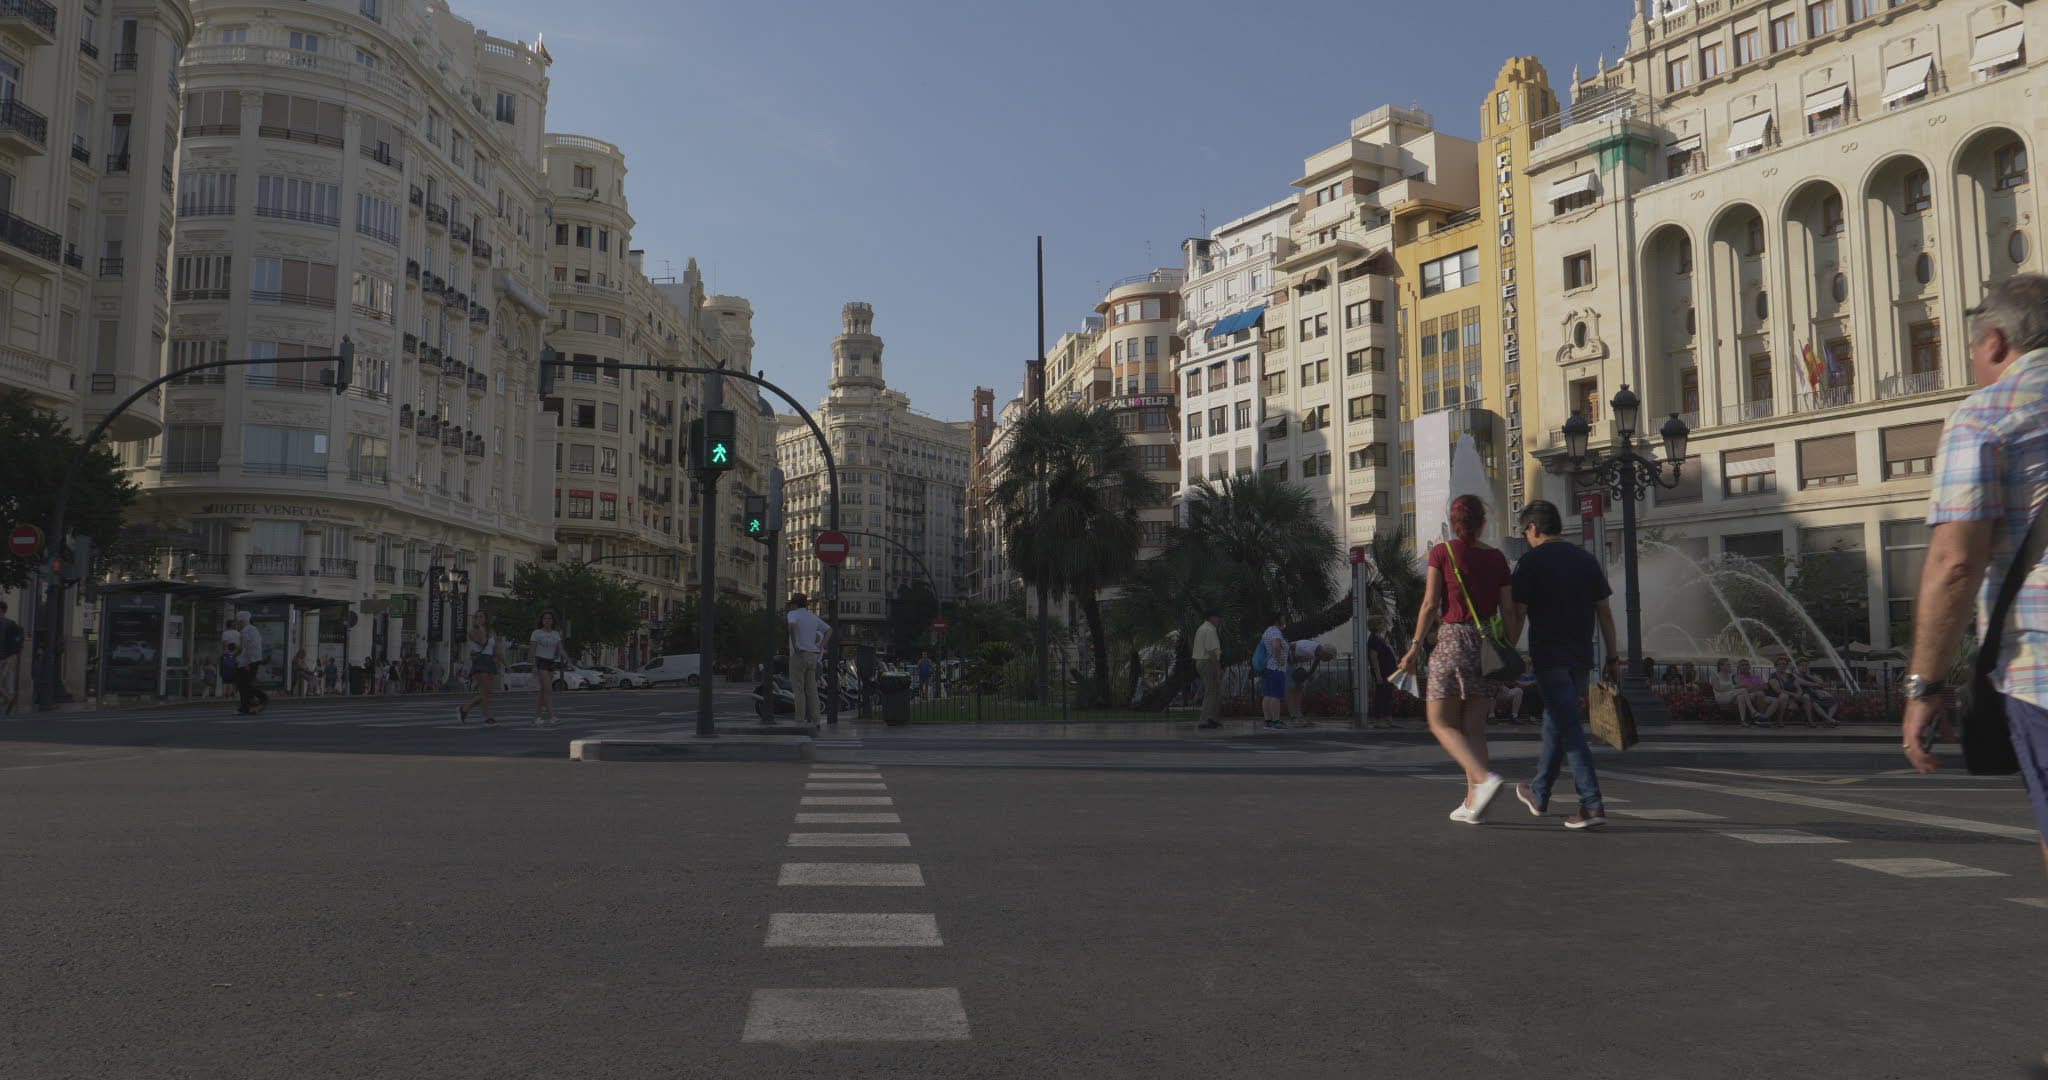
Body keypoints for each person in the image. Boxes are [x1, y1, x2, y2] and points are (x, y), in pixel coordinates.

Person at [1904, 273, 2048, 890]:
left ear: (1994, 341)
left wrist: (1925, 685)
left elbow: (1955, 564)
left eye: (1970, 348)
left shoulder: (1987, 415)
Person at [1398, 494, 1514, 823]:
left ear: (1453, 522)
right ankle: (1473, 803)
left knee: (1441, 722)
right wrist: (1507, 647)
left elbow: (1430, 605)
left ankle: (1483, 779)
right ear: (1483, 523)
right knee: (1474, 728)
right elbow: (1508, 610)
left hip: (1453, 641)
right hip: (1487, 644)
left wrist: (1414, 647)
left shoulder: (1442, 552)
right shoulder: (1497, 558)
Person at [1503, 500, 1617, 830]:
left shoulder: (1529, 562)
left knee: (1569, 728)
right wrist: (1613, 657)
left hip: (1549, 656)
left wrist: (1505, 653)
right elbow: (1605, 613)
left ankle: (1592, 803)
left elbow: (1518, 615)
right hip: (1580, 657)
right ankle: (1539, 794)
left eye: (1525, 532)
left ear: (1534, 528)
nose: (1526, 538)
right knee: (1557, 721)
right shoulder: (1586, 560)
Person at [787, 593, 830, 727]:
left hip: (799, 654)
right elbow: (829, 630)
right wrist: (820, 647)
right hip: (812, 655)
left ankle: (800, 720)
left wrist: (795, 644)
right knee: (812, 690)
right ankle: (816, 720)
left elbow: (791, 626)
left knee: (799, 689)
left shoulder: (793, 614)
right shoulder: (813, 617)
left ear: (795, 604)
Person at [458, 615, 501, 724]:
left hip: (489, 660)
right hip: (480, 660)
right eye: (477, 617)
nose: (480, 619)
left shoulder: (491, 631)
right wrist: (482, 630)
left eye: (482, 616)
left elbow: (496, 649)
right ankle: (486, 716)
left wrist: (505, 664)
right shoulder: (473, 631)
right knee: (485, 691)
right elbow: (482, 643)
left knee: (488, 692)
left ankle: (465, 708)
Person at [1283, 640, 1336, 726]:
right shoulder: (1308, 648)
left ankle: (1299, 716)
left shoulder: (1318, 653)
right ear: (1325, 653)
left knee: (1299, 689)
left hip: (1294, 663)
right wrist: (1292, 666)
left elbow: (1313, 667)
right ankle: (1294, 717)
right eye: (1329, 658)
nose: (1328, 660)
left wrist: (1307, 676)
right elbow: (1288, 647)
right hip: (1286, 661)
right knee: (1291, 689)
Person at [530, 610, 564, 727]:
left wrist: (568, 660)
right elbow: (532, 650)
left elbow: (560, 649)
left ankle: (536, 717)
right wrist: (534, 665)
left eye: (549, 618)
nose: (547, 621)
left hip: (550, 662)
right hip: (541, 661)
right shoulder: (537, 633)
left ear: (553, 621)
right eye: (545, 618)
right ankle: (551, 716)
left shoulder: (556, 634)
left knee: (543, 691)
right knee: (548, 690)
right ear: (542, 620)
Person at [1192, 608, 1224, 730]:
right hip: (1207, 662)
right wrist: (1218, 667)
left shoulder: (1201, 628)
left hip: (1200, 661)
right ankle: (1205, 719)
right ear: (1212, 618)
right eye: (1217, 617)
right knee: (1211, 691)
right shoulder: (1210, 630)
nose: (1219, 620)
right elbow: (1211, 651)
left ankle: (1212, 717)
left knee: (1214, 690)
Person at [1258, 613, 1290, 731]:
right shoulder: (1276, 632)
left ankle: (1268, 721)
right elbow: (1276, 646)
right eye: (1283, 618)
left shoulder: (1268, 631)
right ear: (1277, 620)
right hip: (1277, 668)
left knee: (1268, 694)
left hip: (1268, 667)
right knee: (1275, 695)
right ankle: (1276, 721)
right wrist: (1280, 660)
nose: (1284, 620)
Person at [1366, 618, 1398, 729]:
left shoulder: (1381, 638)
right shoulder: (1374, 639)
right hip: (1383, 672)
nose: (1384, 625)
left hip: (1389, 672)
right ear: (1376, 625)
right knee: (1381, 695)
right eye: (1382, 623)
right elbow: (1373, 657)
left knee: (1388, 695)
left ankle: (1388, 719)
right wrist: (1378, 675)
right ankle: (1378, 719)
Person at [234, 611, 269, 715]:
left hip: (249, 661)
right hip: (252, 660)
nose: (237, 623)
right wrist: (234, 655)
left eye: (238, 621)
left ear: (242, 621)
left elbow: (249, 647)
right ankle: (248, 706)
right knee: (244, 684)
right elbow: (243, 647)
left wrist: (247, 663)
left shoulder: (246, 630)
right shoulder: (253, 629)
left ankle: (261, 698)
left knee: (244, 685)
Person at [1794, 658, 1840, 727]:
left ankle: (1828, 720)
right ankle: (1831, 720)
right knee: (1815, 703)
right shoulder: (1794, 675)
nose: (1804, 667)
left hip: (1814, 694)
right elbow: (1804, 682)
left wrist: (1810, 676)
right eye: (1802, 665)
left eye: (1806, 665)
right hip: (1804, 695)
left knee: (1833, 701)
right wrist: (1817, 685)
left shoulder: (1809, 675)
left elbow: (1821, 682)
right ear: (1797, 666)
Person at [0, 598, 24, 714]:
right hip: (11, 656)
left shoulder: (3, 624)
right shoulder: (11, 623)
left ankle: (8, 699)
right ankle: (9, 698)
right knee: (9, 679)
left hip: (2, 657)